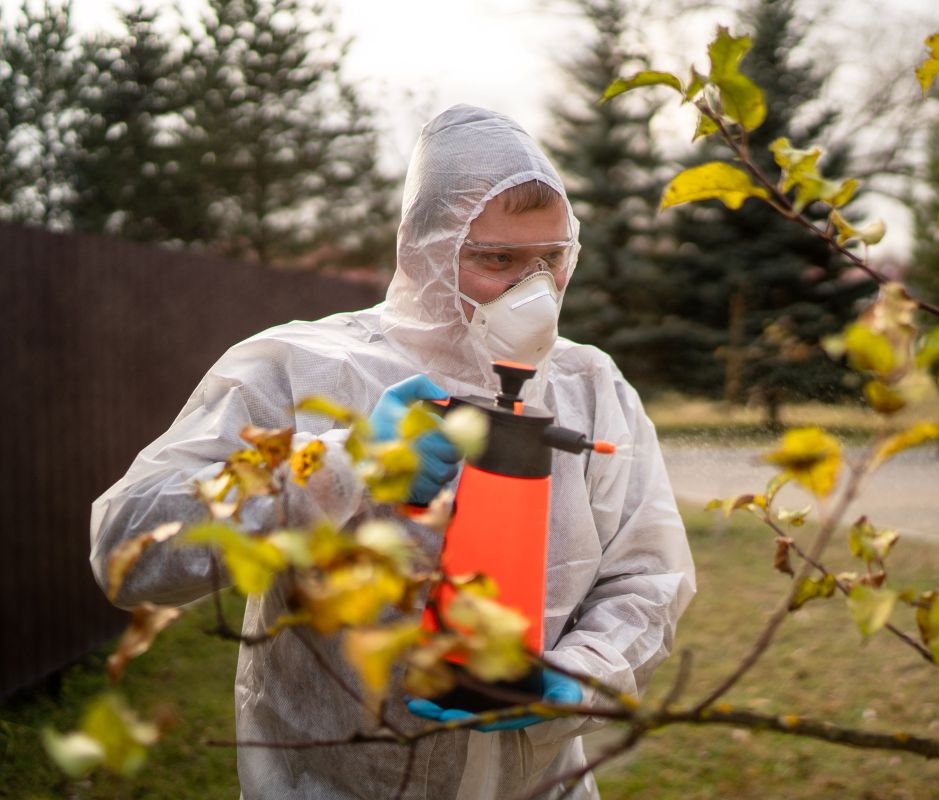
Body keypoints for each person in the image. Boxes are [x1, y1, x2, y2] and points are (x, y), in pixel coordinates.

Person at [90, 104, 696, 799]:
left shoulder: (592, 386)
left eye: (551, 260)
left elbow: (648, 578)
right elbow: (125, 549)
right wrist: (335, 467)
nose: (533, 291)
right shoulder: (295, 368)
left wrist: (579, 674)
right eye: (498, 259)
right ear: (426, 251)